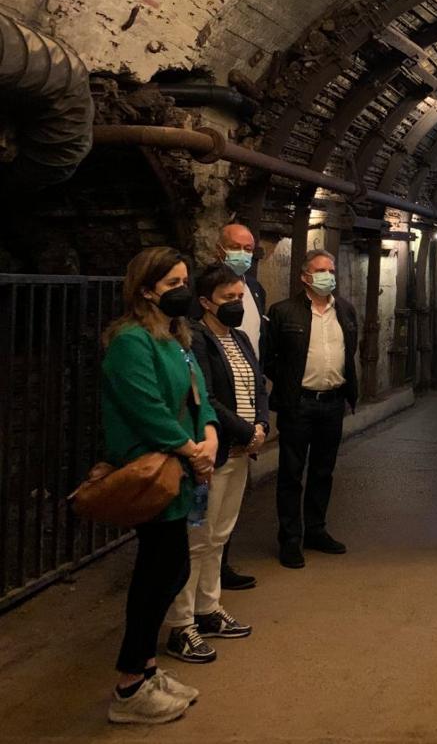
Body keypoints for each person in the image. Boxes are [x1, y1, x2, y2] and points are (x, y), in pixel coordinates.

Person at [100, 247, 218, 724]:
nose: (182, 291)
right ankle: (130, 687)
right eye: (172, 284)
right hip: (155, 469)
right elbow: (144, 406)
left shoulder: (176, 337)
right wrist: (191, 450)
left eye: (185, 281)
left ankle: (146, 671)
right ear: (146, 290)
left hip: (181, 465)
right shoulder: (131, 341)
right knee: (159, 574)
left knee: (168, 570)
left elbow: (199, 393)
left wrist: (209, 432)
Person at [164, 264, 269, 663]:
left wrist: (261, 424)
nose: (237, 304)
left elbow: (257, 385)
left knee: (219, 536)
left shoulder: (239, 337)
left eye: (240, 297)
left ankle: (208, 609)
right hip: (214, 453)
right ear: (206, 302)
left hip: (241, 452)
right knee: (197, 540)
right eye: (228, 298)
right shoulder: (196, 339)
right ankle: (181, 623)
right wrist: (245, 431)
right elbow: (206, 397)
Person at [266, 248, 358, 569]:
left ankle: (316, 530)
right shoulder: (283, 312)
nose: (328, 276)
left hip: (332, 403)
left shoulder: (345, 310)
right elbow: (269, 357)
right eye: (321, 271)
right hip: (299, 404)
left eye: (331, 271)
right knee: (291, 474)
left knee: (323, 471)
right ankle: (290, 539)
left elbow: (350, 351)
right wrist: (289, 383)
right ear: (305, 277)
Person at [214, 222, 267, 591]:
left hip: (248, 397)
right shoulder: (207, 289)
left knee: (233, 493)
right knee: (214, 493)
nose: (244, 254)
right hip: (221, 399)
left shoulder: (255, 289)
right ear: (219, 248)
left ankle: (221, 564)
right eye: (237, 247)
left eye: (249, 249)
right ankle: (205, 573)